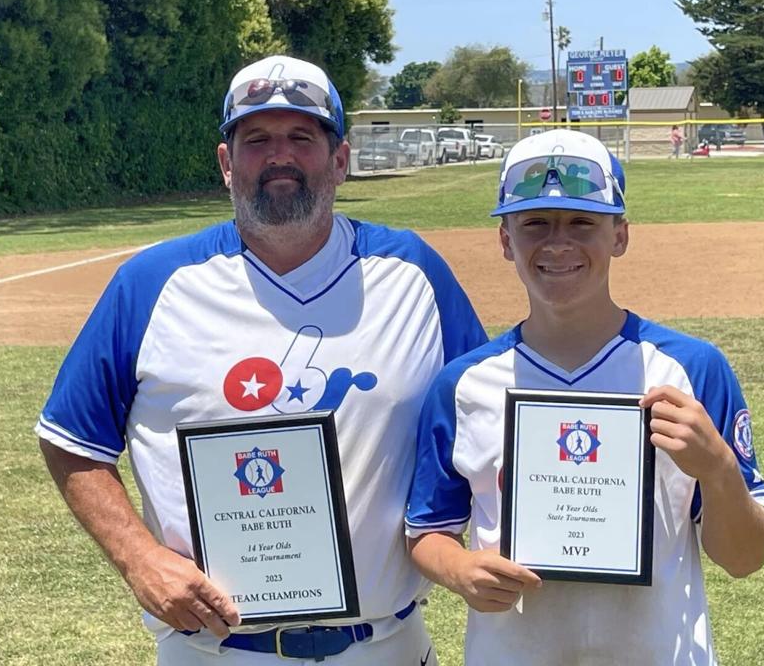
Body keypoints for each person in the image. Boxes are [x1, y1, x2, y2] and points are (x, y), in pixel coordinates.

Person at [36, 54, 486, 665]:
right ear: (227, 163)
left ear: (341, 160)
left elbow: (486, 421)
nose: (280, 156)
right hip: (214, 649)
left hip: (385, 645)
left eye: (303, 137)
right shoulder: (151, 284)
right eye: (256, 140)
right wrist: (138, 558)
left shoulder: (413, 273)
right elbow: (71, 439)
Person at [405, 129, 764, 665]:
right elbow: (426, 531)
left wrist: (718, 470)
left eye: (583, 222)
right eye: (535, 224)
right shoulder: (464, 384)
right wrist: (458, 569)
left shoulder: (690, 370)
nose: (558, 243)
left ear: (620, 235)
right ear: (506, 240)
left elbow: (744, 558)